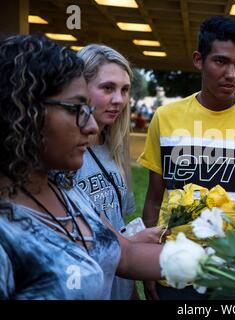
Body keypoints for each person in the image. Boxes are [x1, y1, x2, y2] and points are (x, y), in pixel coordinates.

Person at [138, 15, 235, 299]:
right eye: (221, 61)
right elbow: (154, 198)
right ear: (198, 60)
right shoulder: (166, 117)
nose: (232, 74)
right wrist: (151, 265)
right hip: (177, 268)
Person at [0, 35, 162, 299]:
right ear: (24, 112)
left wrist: (219, 255)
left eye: (124, 90)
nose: (90, 126)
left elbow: (126, 255)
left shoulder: (65, 189)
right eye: (76, 108)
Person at [75, 44, 161, 300]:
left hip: (120, 283)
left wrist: (131, 289)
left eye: (124, 90)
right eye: (107, 88)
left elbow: (118, 224)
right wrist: (135, 248)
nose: (119, 100)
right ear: (79, 88)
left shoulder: (115, 146)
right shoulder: (62, 154)